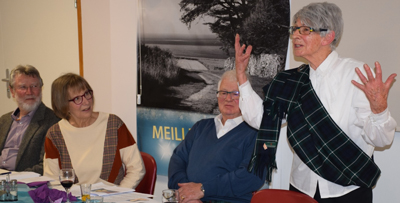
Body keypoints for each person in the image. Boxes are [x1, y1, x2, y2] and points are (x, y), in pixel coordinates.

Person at [235, 2, 397, 203]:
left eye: (305, 30)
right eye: (295, 29)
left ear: (328, 36)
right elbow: (261, 120)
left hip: (347, 190)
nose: (295, 36)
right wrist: (241, 77)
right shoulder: (290, 80)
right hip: (301, 188)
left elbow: (381, 140)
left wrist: (379, 110)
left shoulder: (357, 75)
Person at [168, 70, 264, 203]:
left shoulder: (257, 134)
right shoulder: (200, 127)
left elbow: (251, 177)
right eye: (223, 93)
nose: (228, 98)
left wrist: (203, 189)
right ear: (217, 96)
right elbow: (178, 159)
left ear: (246, 99)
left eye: (235, 93)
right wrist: (187, 193)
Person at [43, 73, 145, 188]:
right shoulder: (55, 134)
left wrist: (120, 194)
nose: (86, 102)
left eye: (87, 94)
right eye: (77, 99)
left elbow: (137, 168)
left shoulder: (113, 124)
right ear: (63, 105)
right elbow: (52, 180)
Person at [0, 65, 60, 175]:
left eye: (34, 86)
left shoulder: (53, 121)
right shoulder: (3, 120)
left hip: (24, 183)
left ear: (41, 88)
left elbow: (45, 166)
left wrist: (12, 178)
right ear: (12, 91)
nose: (29, 92)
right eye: (23, 87)